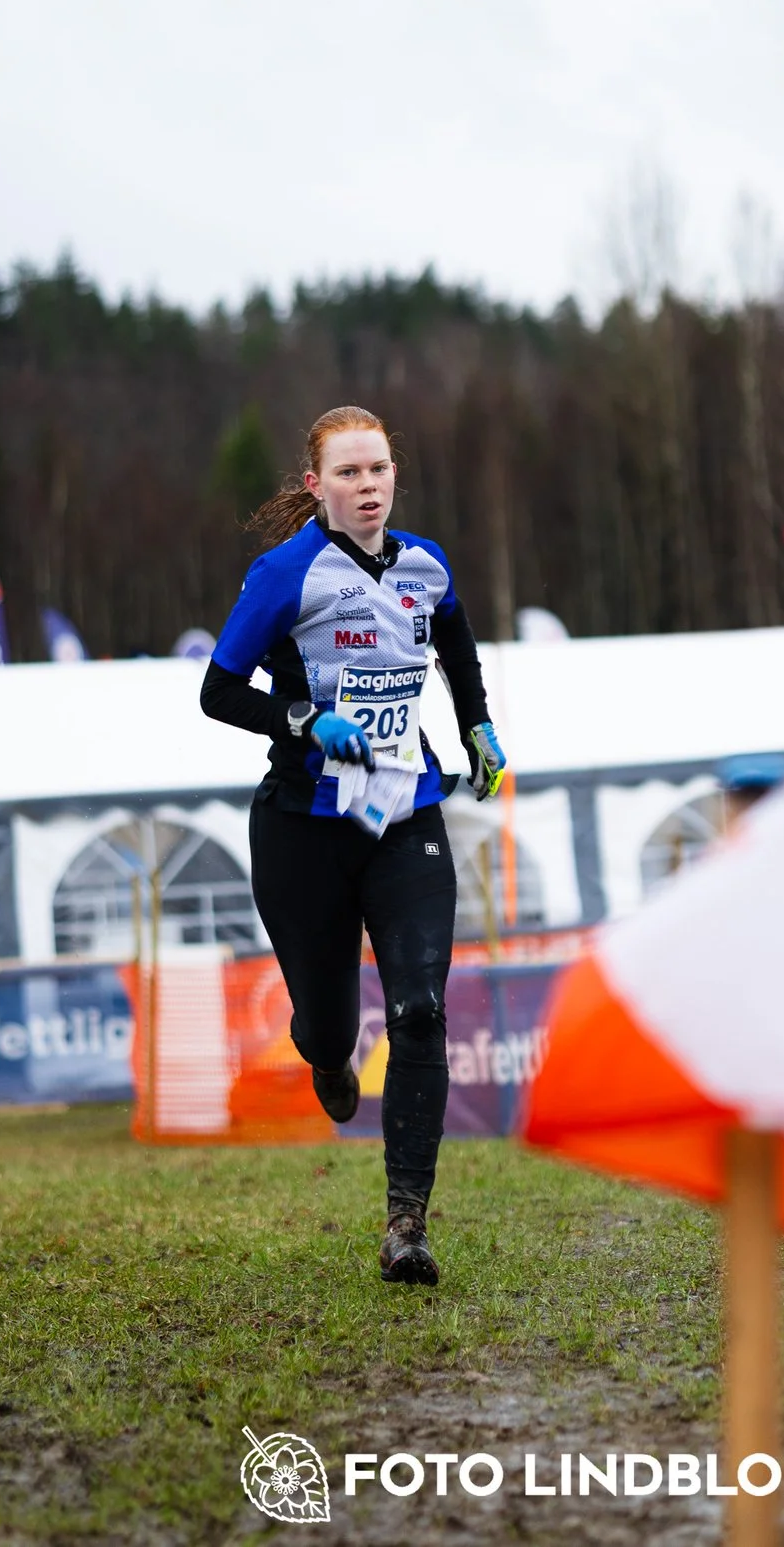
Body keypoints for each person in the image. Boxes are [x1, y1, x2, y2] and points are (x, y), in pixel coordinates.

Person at [197, 405, 511, 1287]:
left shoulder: (424, 563)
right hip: (302, 829)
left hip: (404, 815)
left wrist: (478, 725)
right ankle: (328, 1056)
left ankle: (406, 1222)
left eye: (378, 471)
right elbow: (219, 691)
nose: (367, 487)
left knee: (420, 1009)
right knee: (329, 1028)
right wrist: (300, 716)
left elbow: (454, 637)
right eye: (348, 474)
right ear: (316, 486)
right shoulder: (284, 573)